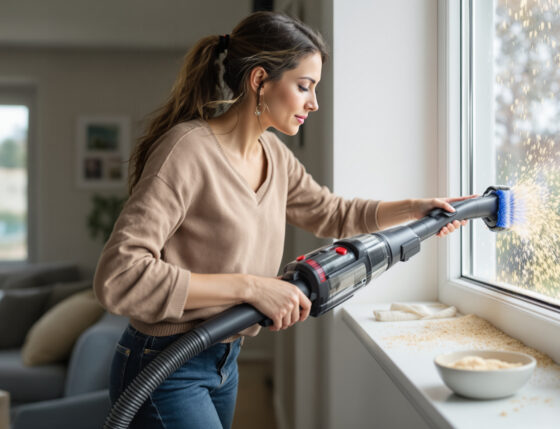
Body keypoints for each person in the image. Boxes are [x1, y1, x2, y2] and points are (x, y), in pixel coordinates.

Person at [94, 11, 471, 429]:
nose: (314, 103)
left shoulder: (273, 155)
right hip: (164, 363)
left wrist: (415, 208)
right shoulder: (186, 152)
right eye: (304, 86)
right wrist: (253, 288)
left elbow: (334, 213)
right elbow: (119, 276)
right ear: (260, 80)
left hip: (222, 356)